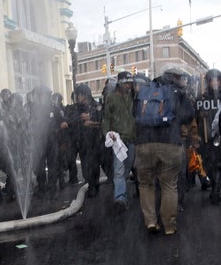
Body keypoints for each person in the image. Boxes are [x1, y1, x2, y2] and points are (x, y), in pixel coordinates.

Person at [135, 68, 195, 234]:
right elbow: (189, 115)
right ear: (174, 78)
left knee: (146, 184)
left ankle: (150, 221)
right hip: (170, 143)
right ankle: (169, 225)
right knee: (169, 185)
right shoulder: (177, 92)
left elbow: (135, 115)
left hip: (145, 143)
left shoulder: (145, 91)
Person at [102, 71, 137, 212]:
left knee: (126, 168)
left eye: (130, 83)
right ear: (120, 83)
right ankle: (120, 198)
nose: (129, 86)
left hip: (132, 139)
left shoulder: (132, 97)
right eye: (127, 83)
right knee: (119, 170)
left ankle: (121, 192)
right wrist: (107, 134)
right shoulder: (111, 98)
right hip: (118, 140)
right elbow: (106, 118)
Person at [196, 69, 221, 204]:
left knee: (220, 164)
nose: (215, 82)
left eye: (217, 79)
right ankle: (214, 185)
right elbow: (195, 117)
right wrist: (200, 114)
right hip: (206, 135)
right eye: (212, 80)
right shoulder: (202, 98)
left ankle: (216, 190)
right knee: (209, 164)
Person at [70, 84, 103, 197]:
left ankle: (94, 185)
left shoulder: (96, 106)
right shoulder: (76, 108)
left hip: (94, 141)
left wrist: (91, 120)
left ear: (84, 95)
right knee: (85, 166)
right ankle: (91, 184)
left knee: (94, 165)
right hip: (82, 142)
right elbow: (72, 121)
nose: (77, 98)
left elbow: (103, 121)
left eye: (79, 95)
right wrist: (80, 119)